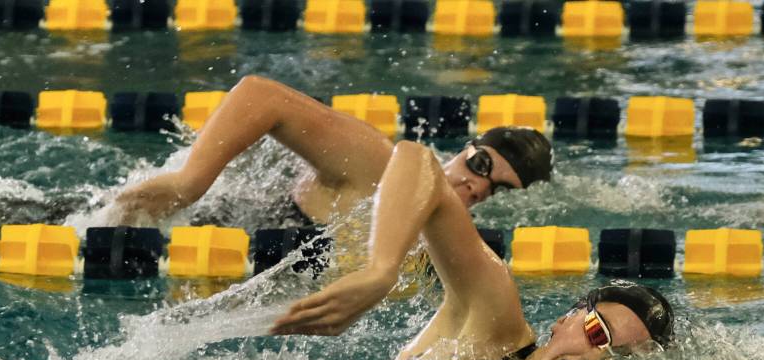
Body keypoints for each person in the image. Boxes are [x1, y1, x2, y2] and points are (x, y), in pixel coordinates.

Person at [270, 140, 673, 360]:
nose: (597, 357)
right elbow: (416, 159)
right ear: (564, 320)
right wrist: (381, 271)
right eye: (595, 332)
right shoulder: (498, 325)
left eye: (620, 358)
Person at [113, 75, 553, 226]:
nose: (477, 186)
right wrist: (191, 182)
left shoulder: (438, 238)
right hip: (189, 224)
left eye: (496, 189)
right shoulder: (381, 164)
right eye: (480, 165)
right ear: (465, 148)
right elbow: (261, 95)